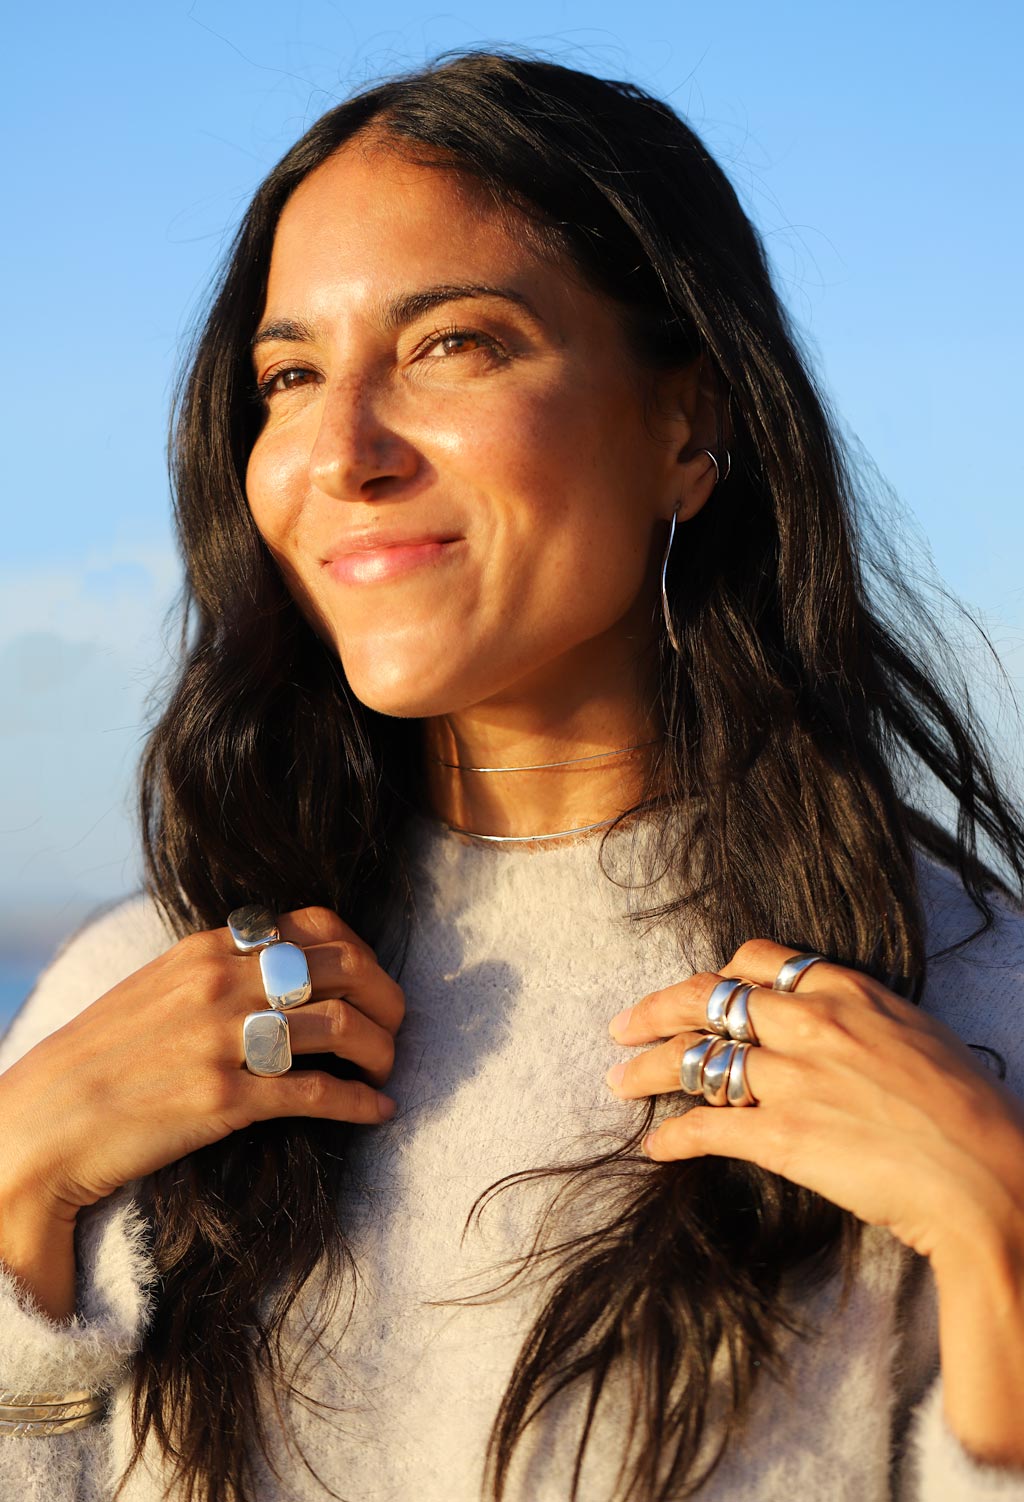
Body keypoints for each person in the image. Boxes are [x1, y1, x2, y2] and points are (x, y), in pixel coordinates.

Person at [1, 47, 1023, 1502]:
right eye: (290, 376)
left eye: (452, 344)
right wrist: (19, 1176)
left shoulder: (967, 1009)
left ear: (689, 423)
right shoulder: (136, 1003)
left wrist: (1002, 1234)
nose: (340, 451)